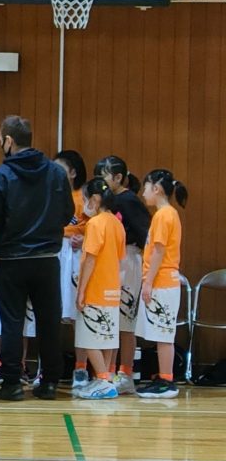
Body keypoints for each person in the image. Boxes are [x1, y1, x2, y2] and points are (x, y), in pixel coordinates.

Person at [0, 115, 74, 401]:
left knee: (12, 322)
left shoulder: (0, 177)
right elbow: (67, 212)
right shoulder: (56, 173)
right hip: (47, 259)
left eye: (1, 139)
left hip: (11, 259)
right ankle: (49, 382)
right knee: (49, 321)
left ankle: (12, 383)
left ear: (9, 141)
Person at [96, 155, 151, 394]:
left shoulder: (129, 200)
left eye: (104, 176)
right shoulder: (109, 201)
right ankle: (107, 373)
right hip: (113, 261)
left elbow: (145, 236)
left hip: (129, 261)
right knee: (111, 319)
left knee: (126, 322)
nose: (101, 181)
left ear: (118, 177)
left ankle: (125, 374)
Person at [135, 169, 188, 399]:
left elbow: (159, 251)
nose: (143, 193)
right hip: (162, 281)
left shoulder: (164, 215)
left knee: (164, 334)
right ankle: (163, 376)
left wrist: (148, 282)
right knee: (160, 333)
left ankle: (167, 381)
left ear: (156, 189)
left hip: (163, 282)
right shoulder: (166, 214)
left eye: (146, 188)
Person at [74, 177, 126, 400]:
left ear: (95, 199)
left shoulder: (95, 224)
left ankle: (103, 380)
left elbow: (90, 259)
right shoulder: (117, 223)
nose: (84, 204)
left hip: (96, 288)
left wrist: (81, 291)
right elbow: (120, 257)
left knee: (89, 339)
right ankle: (104, 378)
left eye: (86, 199)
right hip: (113, 289)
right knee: (107, 337)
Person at [54, 150, 89, 390]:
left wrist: (84, 238)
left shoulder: (82, 197)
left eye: (61, 168)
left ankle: (81, 368)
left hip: (76, 255)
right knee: (51, 313)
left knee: (79, 314)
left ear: (73, 172)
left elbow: (93, 225)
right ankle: (48, 368)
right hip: (56, 252)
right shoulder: (51, 193)